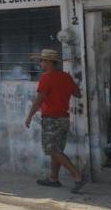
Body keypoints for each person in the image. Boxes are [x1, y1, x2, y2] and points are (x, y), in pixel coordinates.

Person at [24, 49, 87, 193]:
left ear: (48, 62)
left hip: (51, 119)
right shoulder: (66, 76)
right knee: (56, 150)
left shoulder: (46, 78)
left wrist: (29, 116)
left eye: (42, 61)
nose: (40, 63)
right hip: (64, 118)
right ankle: (53, 178)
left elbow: (39, 99)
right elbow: (77, 93)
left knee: (52, 149)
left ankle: (77, 176)